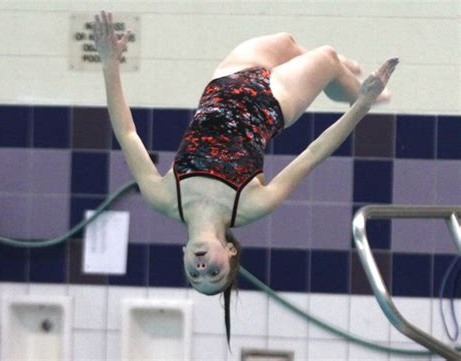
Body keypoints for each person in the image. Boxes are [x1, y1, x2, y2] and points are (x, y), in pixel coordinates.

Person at [93, 11, 398, 344]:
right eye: (214, 271)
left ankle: (342, 70)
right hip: (272, 99)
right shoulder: (249, 206)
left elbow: (127, 133)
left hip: (225, 79)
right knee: (325, 58)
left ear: (183, 255)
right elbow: (313, 154)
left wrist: (110, 65)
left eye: (195, 274)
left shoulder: (164, 198)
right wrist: (362, 104)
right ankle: (352, 87)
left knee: (287, 42)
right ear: (230, 251)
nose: (202, 267)